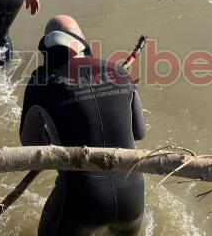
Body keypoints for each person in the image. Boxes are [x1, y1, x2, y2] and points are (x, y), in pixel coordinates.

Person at [20, 15, 146, 236]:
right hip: (132, 191)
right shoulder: (119, 72)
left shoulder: (40, 81)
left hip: (82, 197)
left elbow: (30, 142)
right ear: (82, 42)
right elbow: (139, 133)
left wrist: (56, 141)